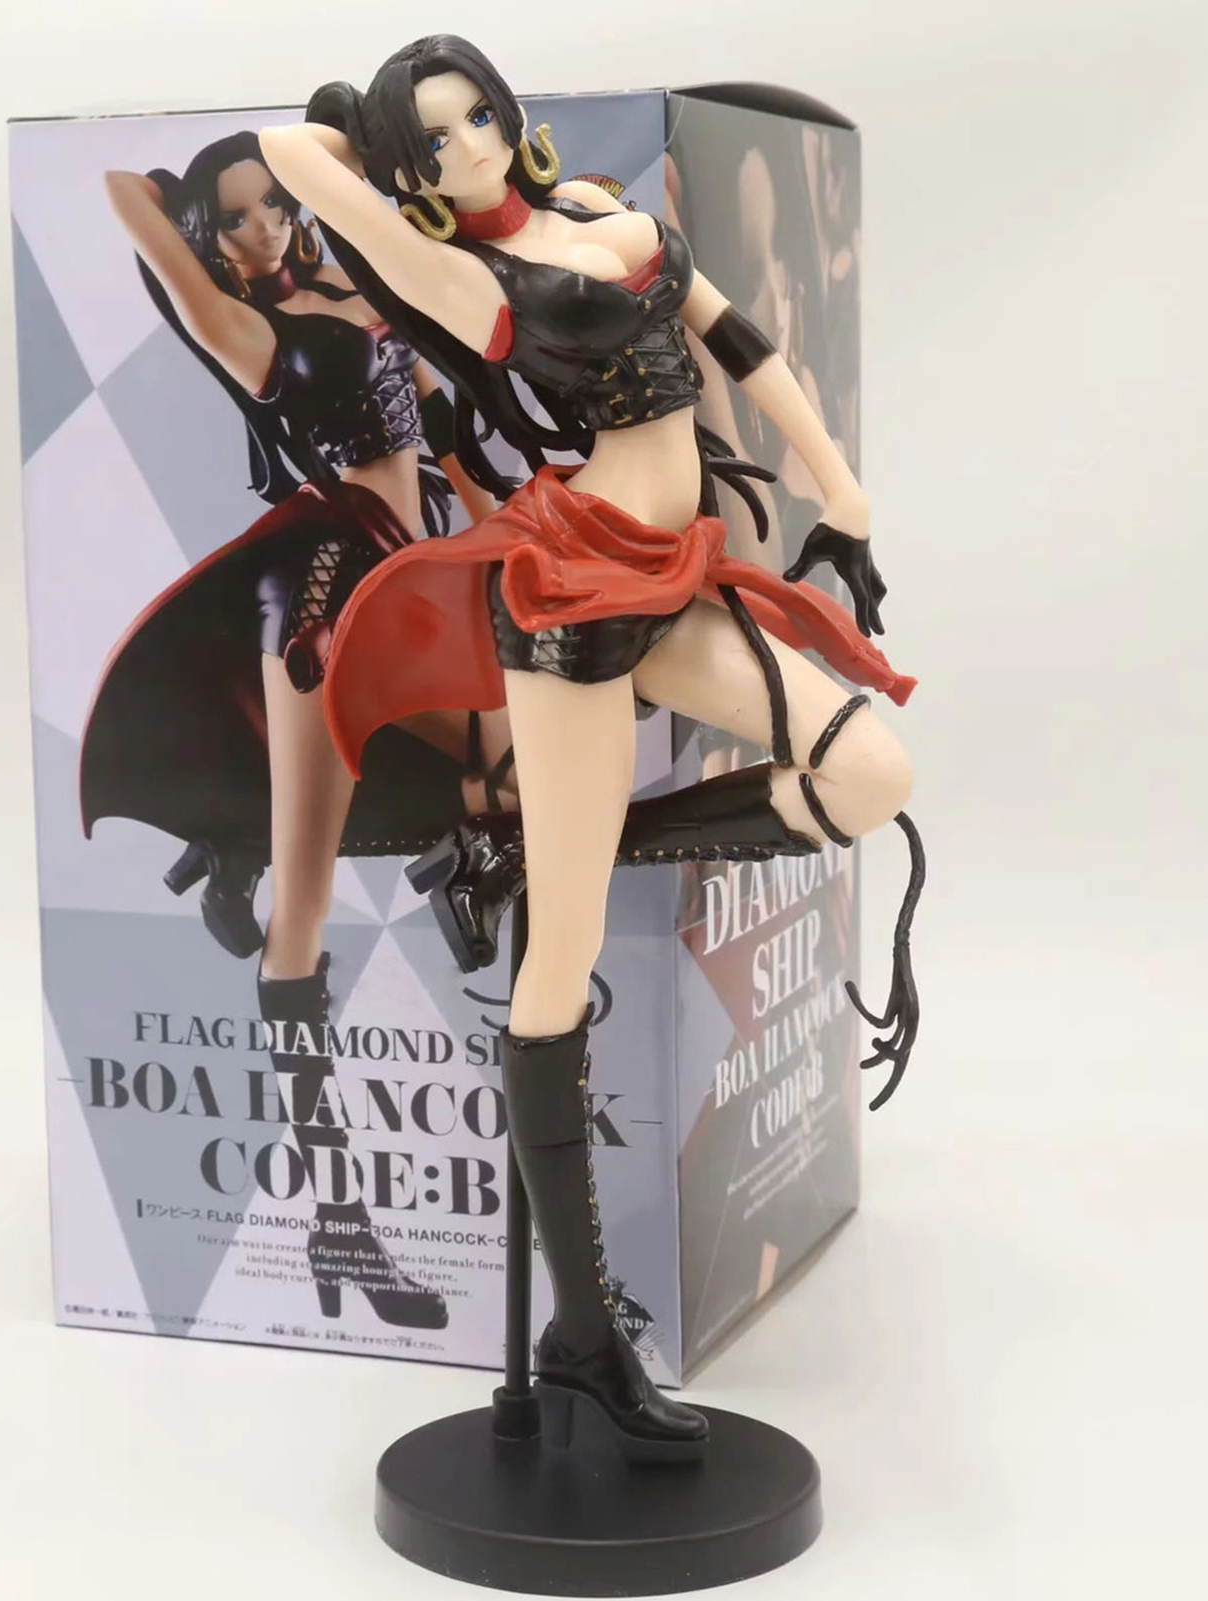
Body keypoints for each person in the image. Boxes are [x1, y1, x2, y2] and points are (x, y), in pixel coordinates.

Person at [257, 35, 923, 1461]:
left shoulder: (605, 212)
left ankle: (543, 850)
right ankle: (580, 1336)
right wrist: (363, 137)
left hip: (670, 572)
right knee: (553, 969)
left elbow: (741, 345)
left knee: (867, 771)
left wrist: (843, 491)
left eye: (474, 115)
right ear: (409, 169)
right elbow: (297, 159)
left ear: (509, 111)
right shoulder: (461, 278)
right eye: (432, 140)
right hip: (567, 599)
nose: (467, 146)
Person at [80, 132, 515, 1331]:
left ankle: (255, 836)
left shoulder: (361, 287)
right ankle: (338, 1222)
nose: (265, 225)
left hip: (411, 571)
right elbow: (119, 189)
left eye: (275, 203)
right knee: (305, 916)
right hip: (320, 589)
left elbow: (450, 453)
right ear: (208, 238)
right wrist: (190, 221)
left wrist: (505, 537)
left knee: (510, 764)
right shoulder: (244, 333)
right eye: (235, 217)